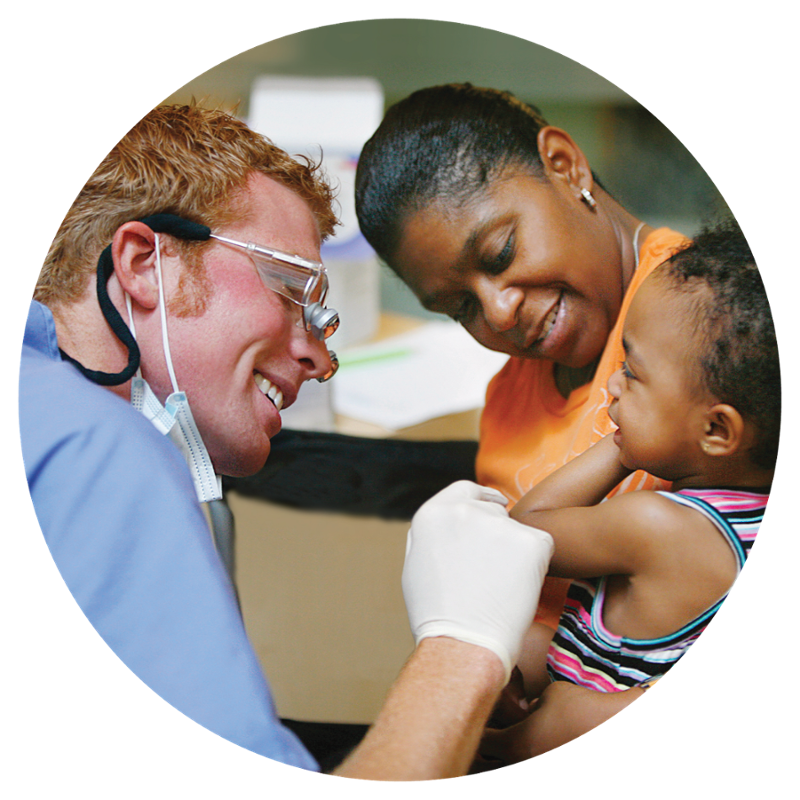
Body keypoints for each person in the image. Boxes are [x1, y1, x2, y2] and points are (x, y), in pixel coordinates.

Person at [20, 102, 554, 780]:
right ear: (142, 262)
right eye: (293, 289)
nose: (323, 360)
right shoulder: (97, 447)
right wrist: (463, 646)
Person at [355, 82, 691, 722]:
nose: (500, 310)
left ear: (566, 166)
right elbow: (531, 606)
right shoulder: (509, 400)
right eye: (461, 307)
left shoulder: (705, 322)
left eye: (501, 252)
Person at [477, 220, 777, 763]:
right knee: (502, 645)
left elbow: (516, 534)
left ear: (716, 432)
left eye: (631, 373)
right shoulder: (741, 518)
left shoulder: (656, 526)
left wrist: (622, 446)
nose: (611, 386)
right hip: (599, 679)